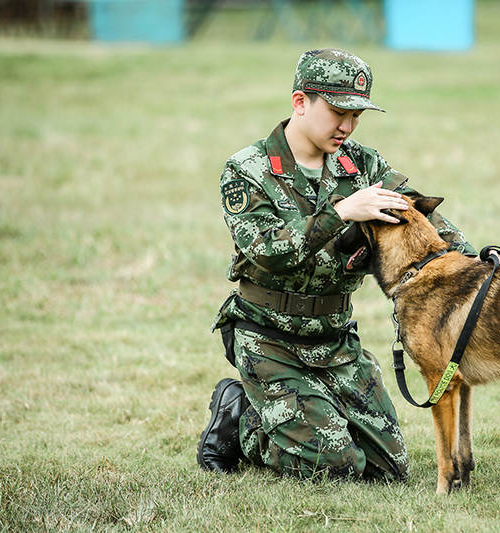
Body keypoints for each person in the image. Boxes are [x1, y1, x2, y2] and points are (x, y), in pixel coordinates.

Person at [197, 48, 478, 482]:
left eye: (356, 115)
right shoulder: (248, 169)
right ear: (300, 102)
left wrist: (478, 259)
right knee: (337, 464)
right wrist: (343, 211)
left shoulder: (363, 164)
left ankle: (309, 415)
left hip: (335, 341)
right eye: (337, 111)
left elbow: (424, 220)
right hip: (269, 340)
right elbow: (267, 251)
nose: (347, 126)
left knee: (390, 470)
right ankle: (241, 419)